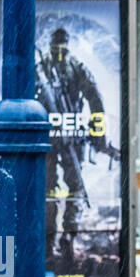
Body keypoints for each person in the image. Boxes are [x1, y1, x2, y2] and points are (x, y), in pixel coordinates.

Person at [36, 27, 112, 261]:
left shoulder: (67, 67)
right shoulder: (48, 69)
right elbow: (95, 98)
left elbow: (95, 98)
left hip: (62, 138)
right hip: (55, 138)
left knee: (66, 189)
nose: (59, 51)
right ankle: (58, 239)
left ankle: (63, 239)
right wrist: (98, 137)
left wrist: (98, 136)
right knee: (60, 190)